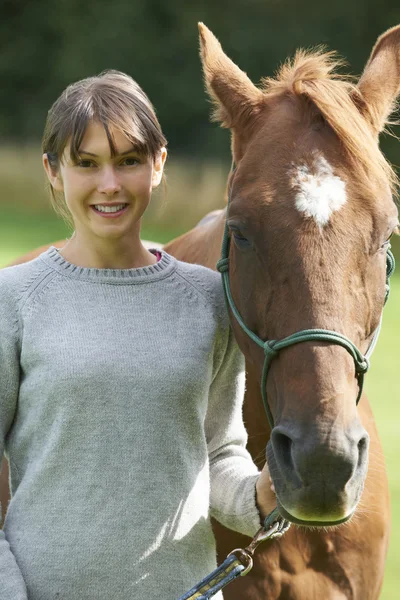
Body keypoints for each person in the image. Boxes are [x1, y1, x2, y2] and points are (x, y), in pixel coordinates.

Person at [0, 70, 274, 600]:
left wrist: (264, 495)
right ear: (53, 171)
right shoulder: (14, 299)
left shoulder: (210, 300)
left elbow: (219, 453)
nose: (110, 184)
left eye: (128, 160)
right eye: (87, 163)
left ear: (158, 164)